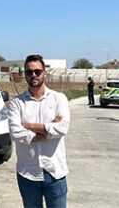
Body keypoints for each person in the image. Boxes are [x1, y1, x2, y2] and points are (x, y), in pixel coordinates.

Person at [7, 55, 70, 208]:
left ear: (44, 73)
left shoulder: (58, 99)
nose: (33, 75)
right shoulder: (17, 103)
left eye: (37, 71)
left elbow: (62, 128)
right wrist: (48, 130)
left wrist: (28, 125)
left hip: (55, 173)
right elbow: (15, 132)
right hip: (28, 174)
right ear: (25, 75)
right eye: (29, 72)